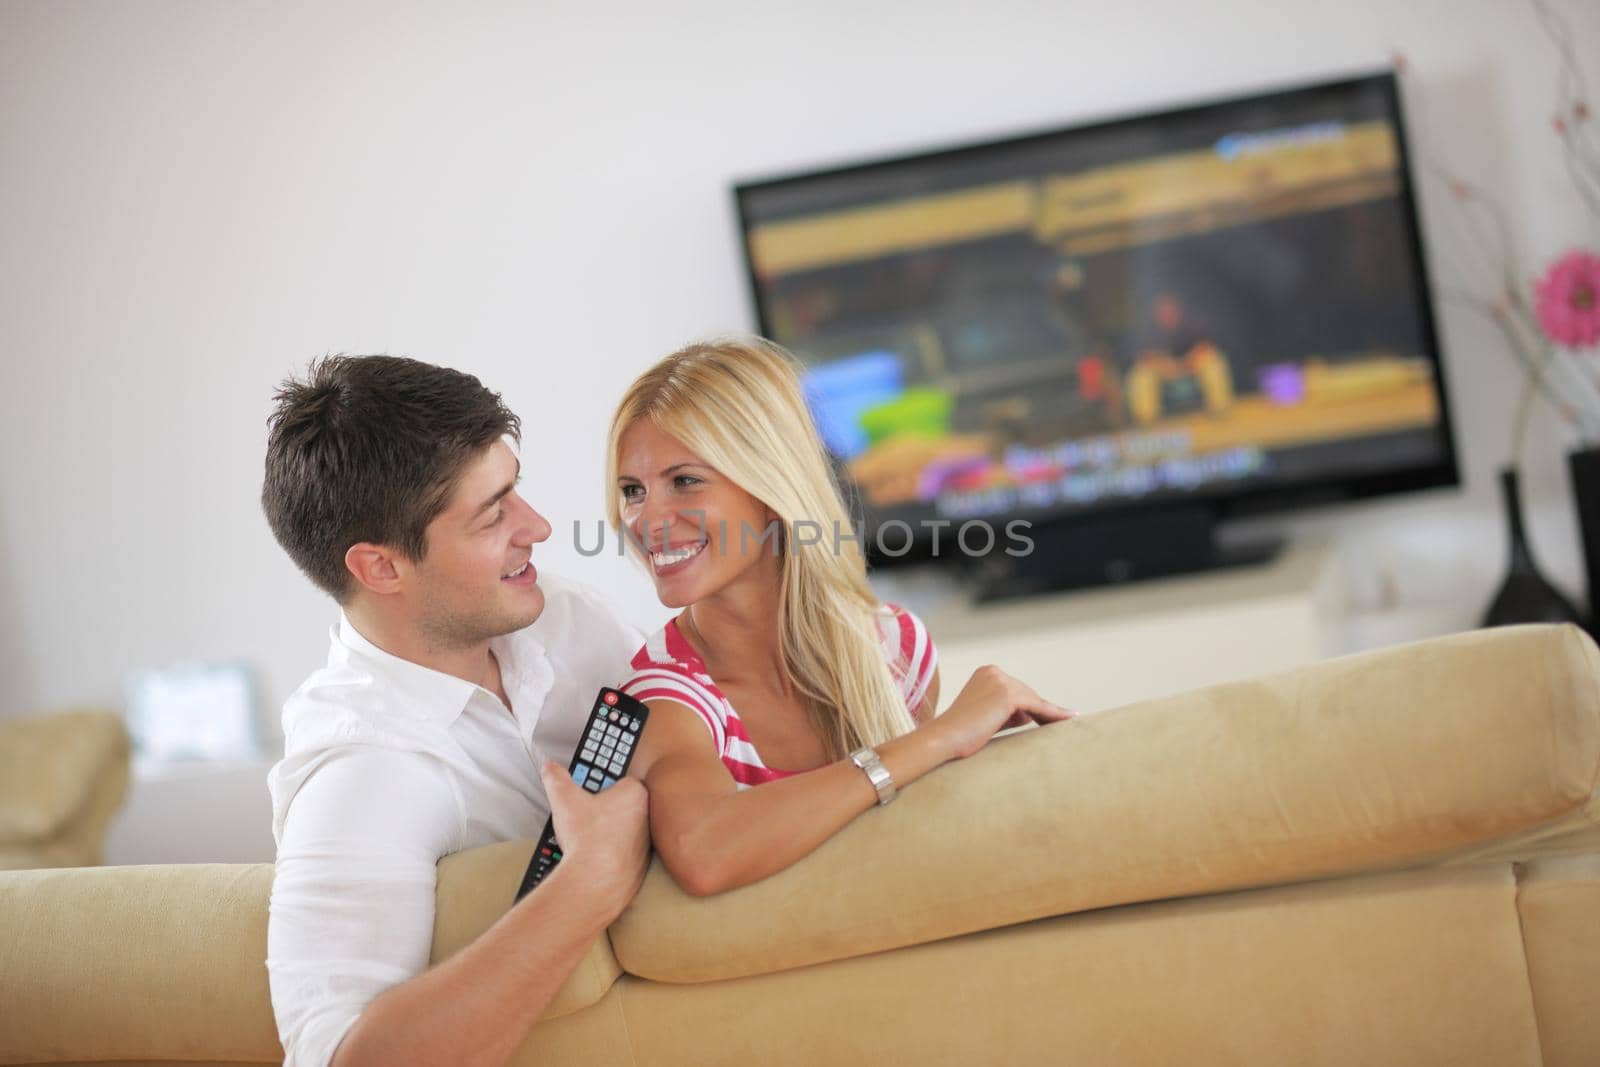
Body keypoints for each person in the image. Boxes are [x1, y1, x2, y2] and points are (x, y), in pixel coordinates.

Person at [261, 355, 650, 1067]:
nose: (537, 528)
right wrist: (587, 883)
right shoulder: (364, 770)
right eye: (493, 515)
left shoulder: (560, 618)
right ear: (381, 567)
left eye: (516, 491)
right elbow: (335, 1055)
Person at [606, 338, 1073, 896]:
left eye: (684, 481)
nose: (646, 520)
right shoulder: (661, 698)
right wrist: (944, 736)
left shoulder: (895, 647)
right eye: (633, 490)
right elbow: (705, 852)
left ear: (770, 481)